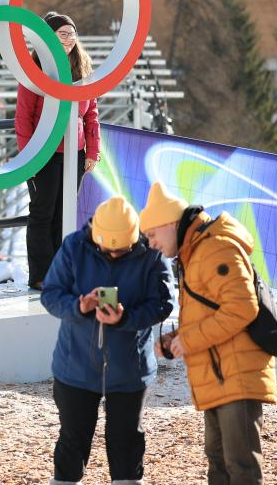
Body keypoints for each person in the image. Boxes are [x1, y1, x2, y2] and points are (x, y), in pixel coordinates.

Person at [141, 181, 277, 485]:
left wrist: (189, 340)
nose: (151, 244)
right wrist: (177, 338)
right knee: (219, 464)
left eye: (152, 234)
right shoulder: (195, 251)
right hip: (220, 374)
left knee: (240, 468)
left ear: (170, 223)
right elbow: (213, 311)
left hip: (236, 374)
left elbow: (242, 308)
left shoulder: (214, 247)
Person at [41, 196, 173, 485]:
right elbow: (50, 295)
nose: (113, 255)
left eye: (121, 251)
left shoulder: (151, 253)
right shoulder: (74, 246)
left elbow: (163, 303)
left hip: (130, 368)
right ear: (94, 236)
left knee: (127, 440)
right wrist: (79, 307)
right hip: (75, 365)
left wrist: (126, 318)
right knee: (72, 440)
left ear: (134, 239)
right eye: (107, 249)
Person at [16, 12, 100, 290]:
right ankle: (41, 274)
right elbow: (24, 118)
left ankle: (61, 272)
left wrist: (92, 150)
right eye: (63, 34)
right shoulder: (34, 71)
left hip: (74, 152)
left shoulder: (82, 70)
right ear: (48, 38)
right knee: (43, 213)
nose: (69, 39)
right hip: (44, 153)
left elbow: (91, 114)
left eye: (72, 34)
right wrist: (29, 158)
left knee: (65, 214)